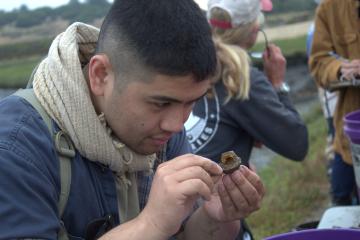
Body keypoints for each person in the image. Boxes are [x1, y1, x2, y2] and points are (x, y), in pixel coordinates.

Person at [0, 0, 265, 239]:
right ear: (101, 75)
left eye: (192, 101)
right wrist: (150, 224)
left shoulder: (161, 132)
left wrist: (216, 217)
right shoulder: (15, 150)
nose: (176, 125)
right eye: (161, 103)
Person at [185, 0, 309, 167]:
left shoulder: (190, 59)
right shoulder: (241, 78)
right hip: (212, 190)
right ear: (253, 29)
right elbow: (297, 145)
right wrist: (278, 84)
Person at [309, 0, 360, 205]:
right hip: (351, 134)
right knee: (341, 201)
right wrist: (341, 69)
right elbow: (319, 62)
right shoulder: (330, 8)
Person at [306, 0, 337, 168]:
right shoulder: (320, 28)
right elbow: (320, 64)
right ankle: (339, 191)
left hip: (330, 90)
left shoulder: (317, 26)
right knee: (336, 139)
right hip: (332, 91)